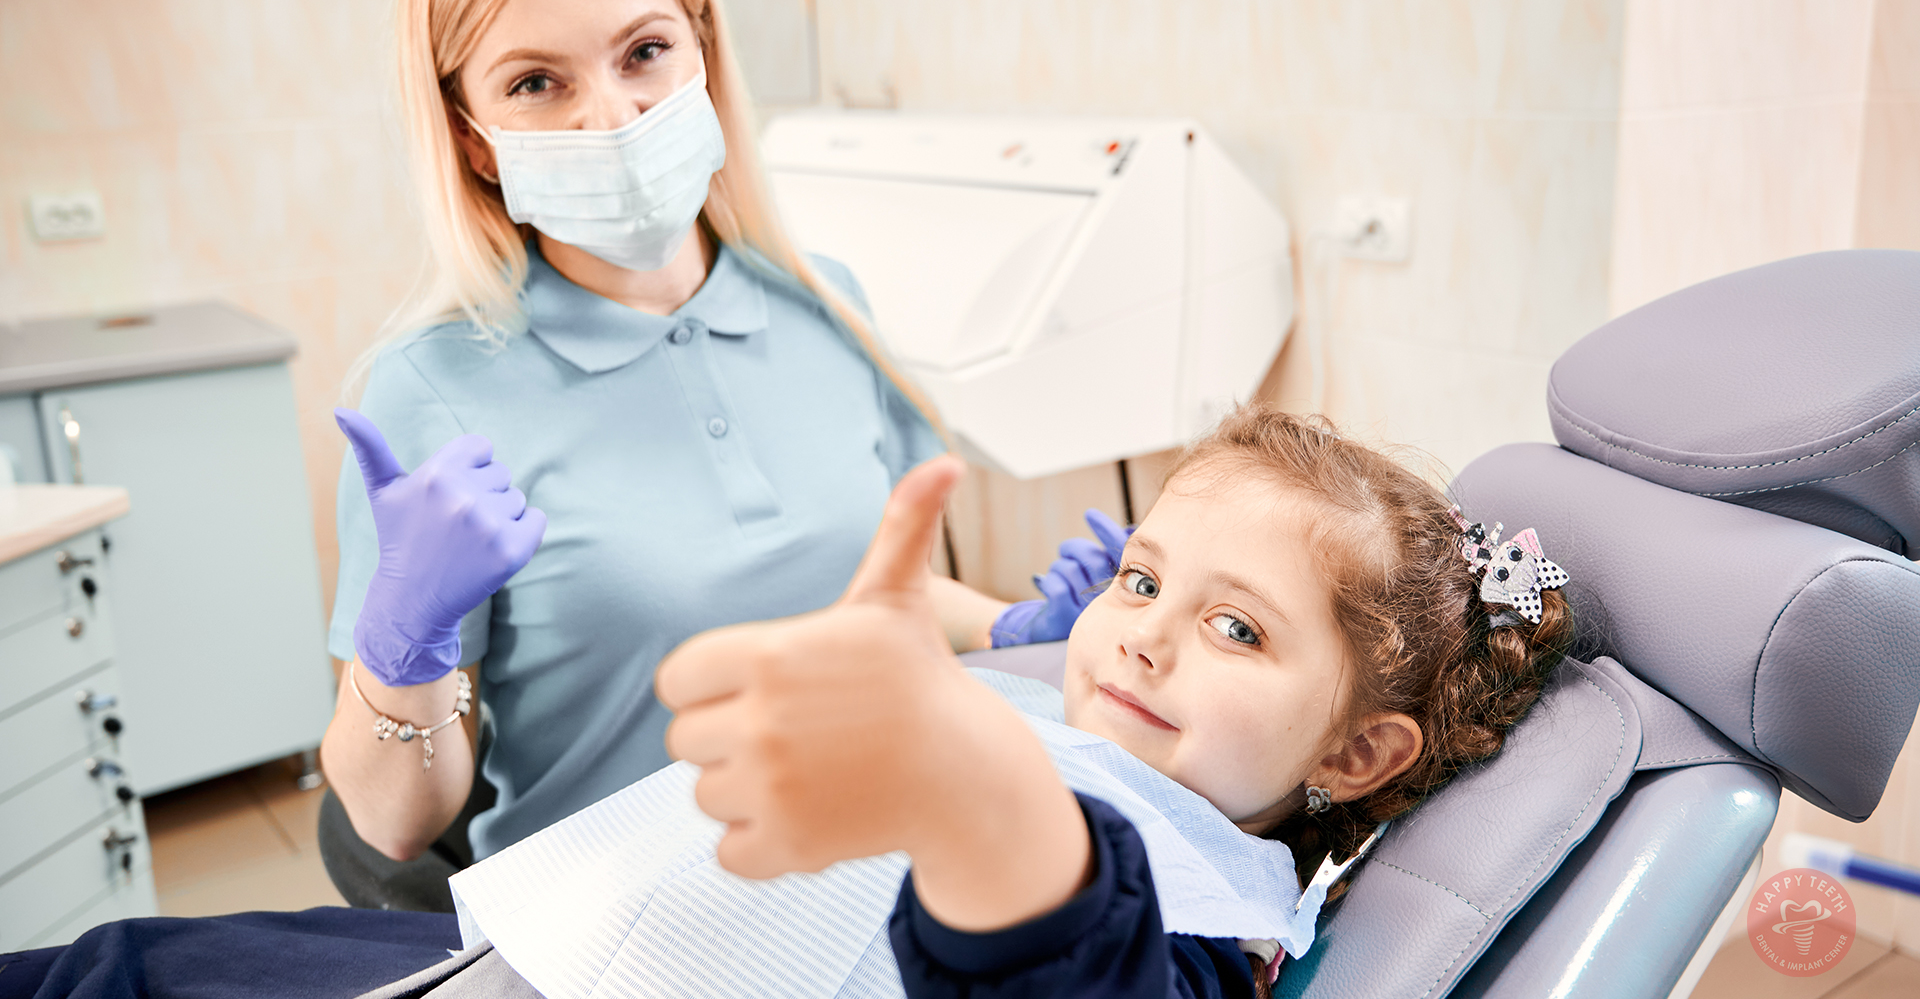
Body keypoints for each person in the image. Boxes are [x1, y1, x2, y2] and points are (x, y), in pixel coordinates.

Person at [4, 407, 1572, 999]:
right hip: (511, 939)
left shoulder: (1201, 909)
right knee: (109, 968)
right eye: (1143, 581)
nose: (1145, 638)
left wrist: (973, 775)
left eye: (1237, 627)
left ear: (1362, 750)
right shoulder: (1054, 699)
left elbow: (1056, 969)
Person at [316, 0, 1108, 902]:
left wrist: (1021, 625)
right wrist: (407, 643)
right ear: (475, 139)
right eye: (535, 83)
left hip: (862, 872)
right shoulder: (430, 389)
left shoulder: (829, 305)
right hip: (625, 923)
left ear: (704, 53)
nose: (609, 115)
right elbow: (395, 827)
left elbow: (860, 596)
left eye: (644, 52)